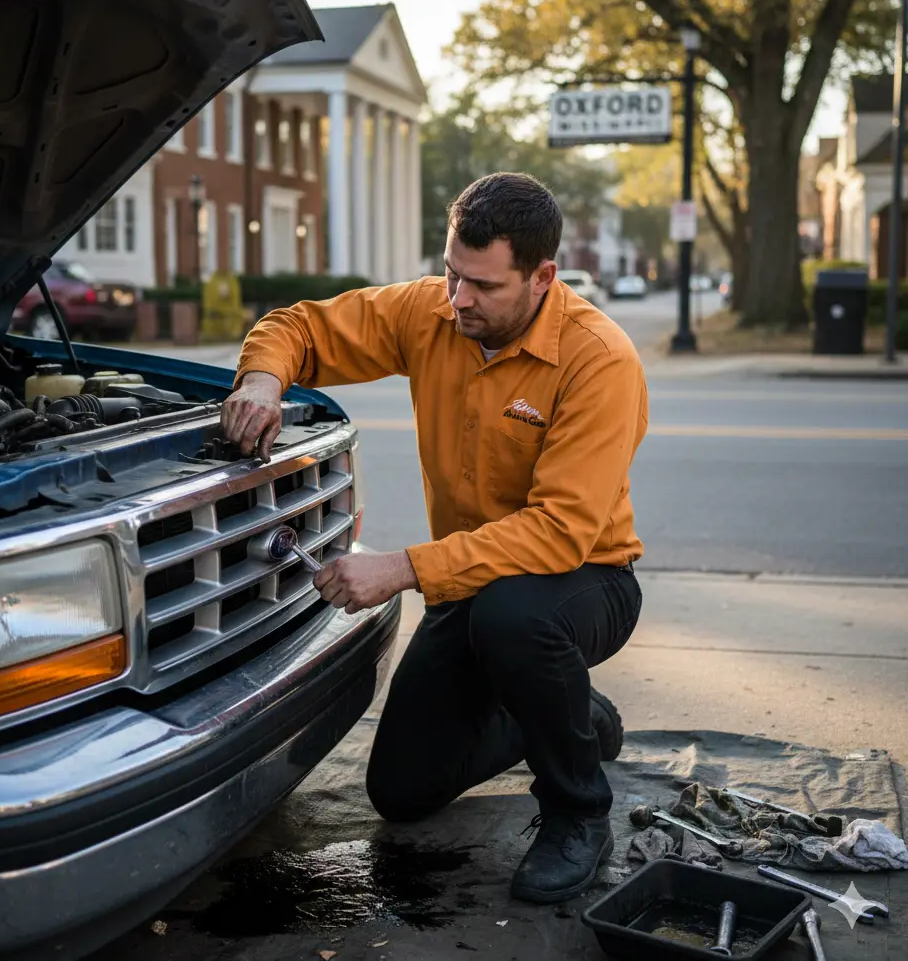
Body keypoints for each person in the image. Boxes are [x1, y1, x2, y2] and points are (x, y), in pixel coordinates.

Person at [220, 172, 647, 903]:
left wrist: (404, 569)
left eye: (481, 285)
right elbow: (300, 326)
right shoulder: (434, 311)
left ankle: (578, 811)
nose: (458, 300)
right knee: (401, 790)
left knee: (518, 617)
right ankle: (569, 716)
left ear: (543, 277)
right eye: (451, 274)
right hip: (471, 582)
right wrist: (263, 378)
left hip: (586, 582)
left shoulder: (599, 361)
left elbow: (558, 534)